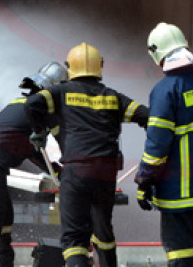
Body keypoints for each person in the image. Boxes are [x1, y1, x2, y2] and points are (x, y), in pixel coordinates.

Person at [27, 42, 149, 267]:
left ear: (70, 67)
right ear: (99, 67)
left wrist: (38, 132)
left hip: (76, 171)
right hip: (106, 174)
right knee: (104, 232)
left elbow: (33, 103)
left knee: (74, 239)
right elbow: (147, 116)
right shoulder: (113, 97)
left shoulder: (60, 92)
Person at [135, 23, 193, 267]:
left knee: (179, 254)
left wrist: (144, 181)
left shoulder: (165, 91)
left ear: (157, 53)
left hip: (176, 190)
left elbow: (157, 146)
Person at [0, 61, 68, 267]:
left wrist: (58, 172)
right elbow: (60, 141)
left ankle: (4, 262)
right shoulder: (38, 110)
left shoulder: (28, 106)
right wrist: (71, 169)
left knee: (4, 217)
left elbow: (34, 151)